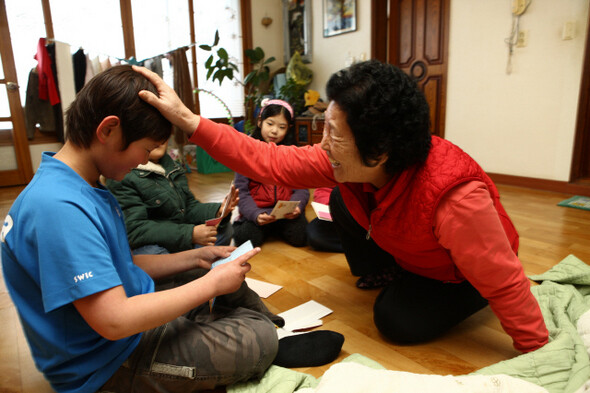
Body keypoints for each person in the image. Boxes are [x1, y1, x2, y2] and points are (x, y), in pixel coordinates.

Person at [133, 59, 549, 354]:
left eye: (334, 132)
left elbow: (506, 280)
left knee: (395, 322)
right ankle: (387, 270)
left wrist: (537, 349)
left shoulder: (455, 200)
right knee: (339, 203)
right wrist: (190, 121)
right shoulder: (346, 162)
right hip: (409, 246)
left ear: (379, 151)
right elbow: (268, 159)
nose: (323, 143)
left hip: (460, 274)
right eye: (325, 126)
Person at [0, 65, 283, 393]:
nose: (144, 161)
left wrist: (196, 258)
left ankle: (224, 323)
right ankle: (245, 330)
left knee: (214, 269)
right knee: (260, 337)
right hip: (107, 361)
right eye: (146, 150)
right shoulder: (58, 207)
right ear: (109, 130)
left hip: (126, 322)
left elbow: (122, 265)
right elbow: (114, 319)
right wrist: (211, 286)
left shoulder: (83, 184)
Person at [106, 138, 236, 255]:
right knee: (152, 253)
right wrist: (189, 234)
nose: (159, 139)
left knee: (224, 229)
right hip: (157, 245)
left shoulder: (173, 167)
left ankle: (197, 267)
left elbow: (189, 206)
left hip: (180, 237)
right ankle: (192, 270)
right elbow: (136, 230)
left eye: (162, 133)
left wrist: (218, 210)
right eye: (151, 133)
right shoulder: (122, 175)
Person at [233, 99, 309, 248]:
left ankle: (275, 229)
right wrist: (254, 214)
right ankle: (262, 227)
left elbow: (302, 188)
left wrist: (297, 207)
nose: (275, 131)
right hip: (257, 213)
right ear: (260, 122)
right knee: (246, 240)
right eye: (270, 124)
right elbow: (241, 192)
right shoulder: (247, 153)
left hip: (285, 215)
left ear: (289, 129)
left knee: (303, 236)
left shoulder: (293, 153)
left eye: (282, 127)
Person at [306, 187, 344, 253]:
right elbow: (323, 190)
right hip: (335, 213)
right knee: (314, 236)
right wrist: (328, 205)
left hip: (361, 217)